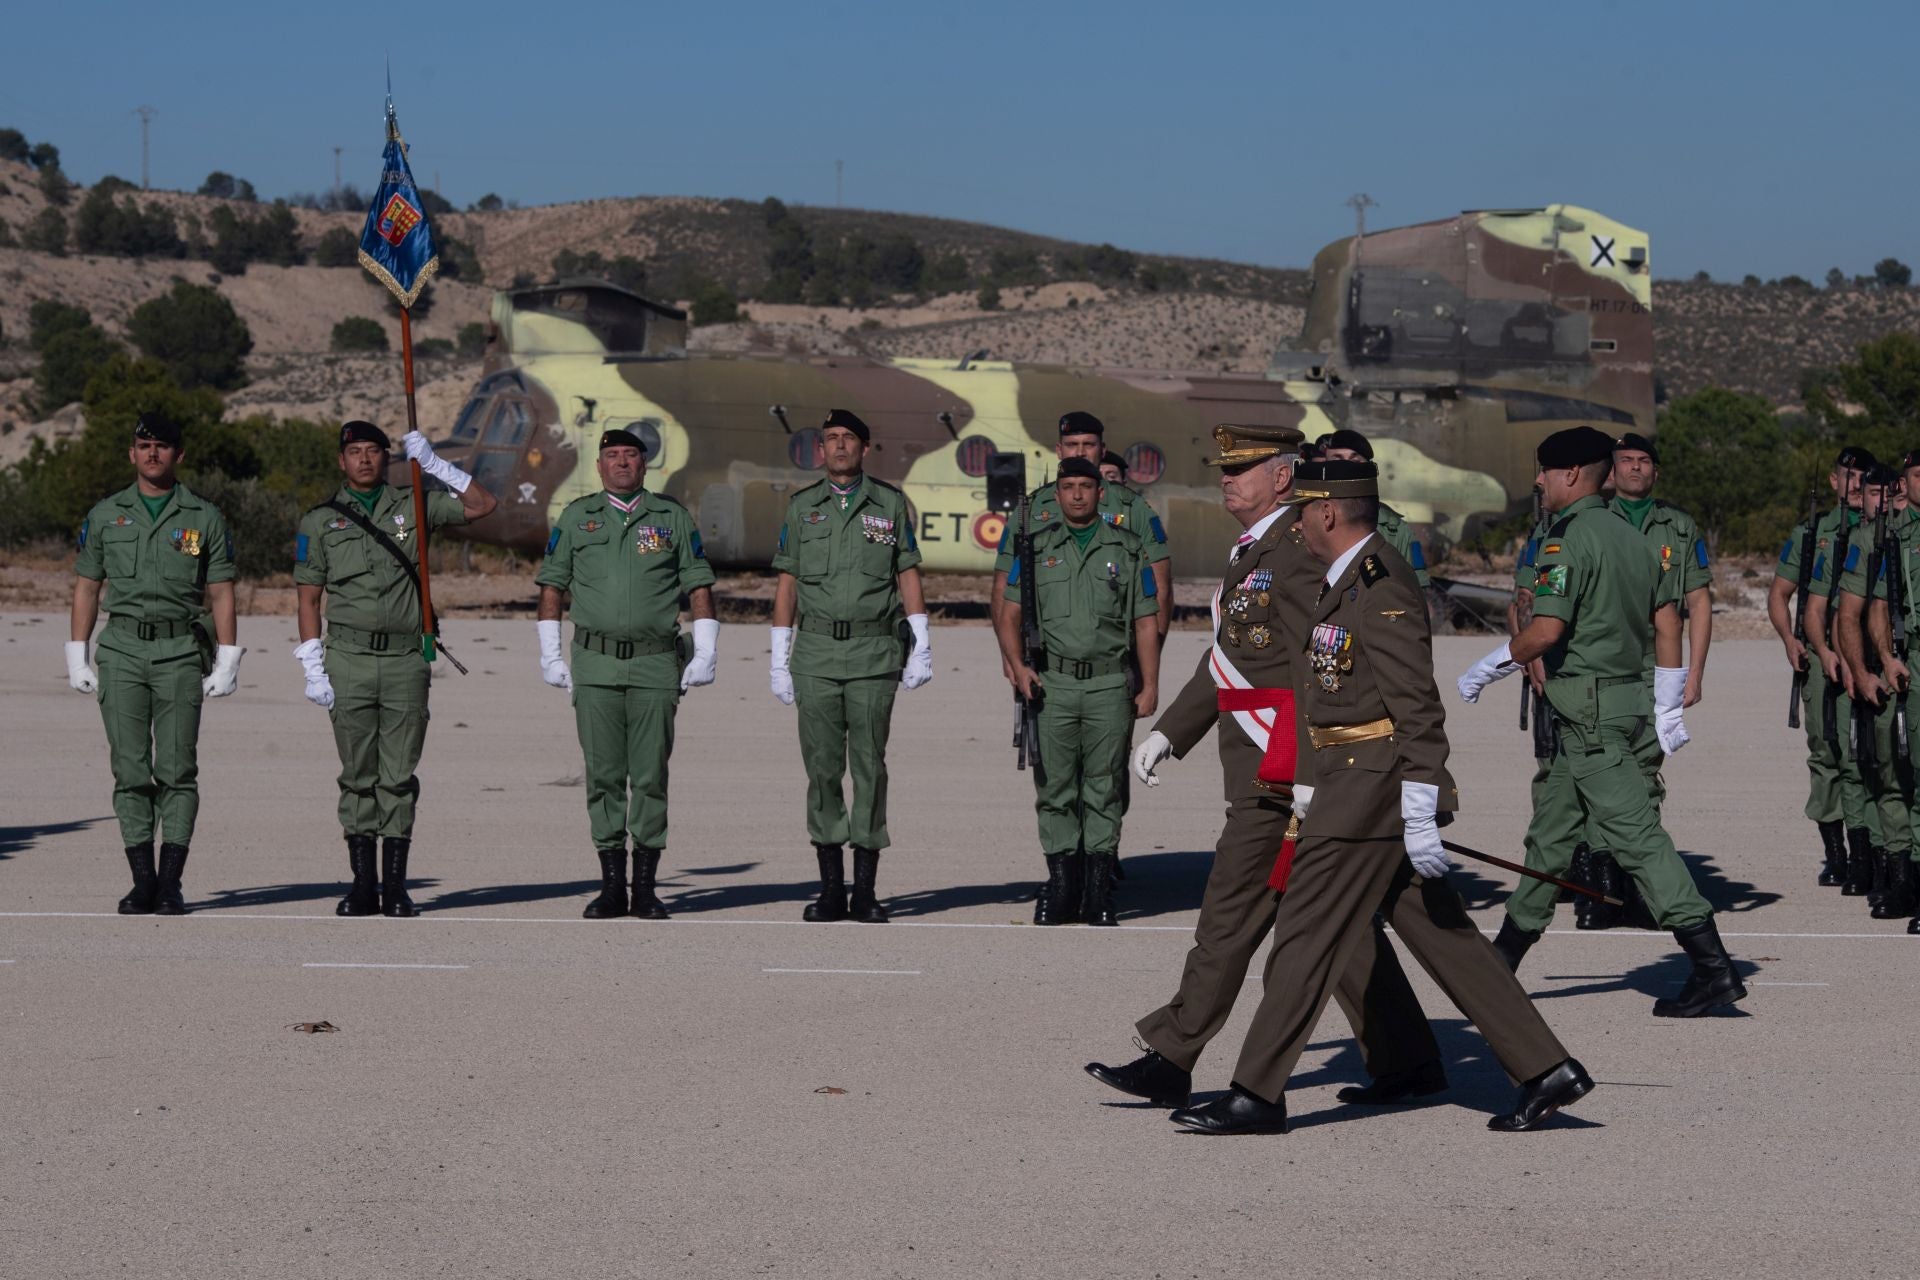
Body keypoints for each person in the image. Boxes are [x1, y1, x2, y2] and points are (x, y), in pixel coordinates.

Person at [1169, 458, 1590, 1135]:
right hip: (1347, 781)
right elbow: (1323, 698)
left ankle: (1256, 1093)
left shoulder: (1379, 585)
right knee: (1444, 936)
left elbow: (1416, 705)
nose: (1299, 522)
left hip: (1370, 791)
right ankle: (1547, 1069)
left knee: (1303, 939)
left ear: (1328, 514)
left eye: (1305, 510)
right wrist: (1307, 777)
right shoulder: (1344, 584)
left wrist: (1420, 799)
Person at [1085, 423, 1444, 1111]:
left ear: (1284, 478)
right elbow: (1233, 659)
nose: (1227, 478)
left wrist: (1312, 770)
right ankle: (1407, 1058)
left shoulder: (1300, 551)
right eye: (1224, 467)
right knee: (1339, 923)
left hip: (1283, 771)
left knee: (1232, 911)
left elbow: (1327, 669)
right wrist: (1171, 733)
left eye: (1243, 468)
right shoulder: (1260, 550)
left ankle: (1173, 1052)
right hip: (1270, 760)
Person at [1457, 426, 1743, 1019]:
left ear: (1569, 475)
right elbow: (1668, 619)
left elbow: (1545, 631)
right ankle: (1503, 961)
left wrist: (1487, 667)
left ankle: (1714, 968)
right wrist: (1665, 696)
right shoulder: (1634, 537)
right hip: (1615, 706)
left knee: (1638, 839)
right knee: (1551, 836)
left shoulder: (1567, 540)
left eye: (1543, 472)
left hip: (1589, 715)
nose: (1537, 482)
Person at [293, 421, 498, 917]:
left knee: (398, 775)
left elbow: (482, 505)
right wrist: (311, 661)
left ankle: (396, 886)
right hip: (348, 657)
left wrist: (434, 466)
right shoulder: (320, 521)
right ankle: (363, 885)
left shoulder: (415, 505)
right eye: (354, 452)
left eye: (374, 451)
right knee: (357, 773)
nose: (364, 459)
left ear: (387, 458)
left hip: (406, 657)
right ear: (341, 461)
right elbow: (308, 596)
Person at [535, 428, 719, 919]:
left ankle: (646, 888)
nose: (621, 463)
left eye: (630, 456)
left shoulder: (671, 517)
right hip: (594, 664)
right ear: (598, 466)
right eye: (612, 456)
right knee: (603, 777)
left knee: (651, 776)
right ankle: (612, 887)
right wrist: (550, 653)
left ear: (645, 465)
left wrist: (706, 650)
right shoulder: (578, 518)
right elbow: (552, 585)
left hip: (656, 664)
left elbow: (698, 582)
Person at [68, 411, 242, 915]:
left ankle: (171, 884)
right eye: (144, 445)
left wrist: (227, 657)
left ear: (178, 455)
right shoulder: (106, 514)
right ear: (131, 453)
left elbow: (222, 590)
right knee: (129, 770)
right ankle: (141, 881)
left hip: (179, 653)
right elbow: (87, 586)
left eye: (162, 446)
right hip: (121, 650)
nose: (152, 453)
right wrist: (76, 654)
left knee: (177, 770)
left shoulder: (203, 517)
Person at [769, 409, 933, 924]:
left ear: (865, 448)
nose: (839, 447)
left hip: (872, 656)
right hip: (815, 656)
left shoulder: (888, 505)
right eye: (831, 439)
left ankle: (865, 892)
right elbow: (788, 583)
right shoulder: (801, 509)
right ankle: (830, 891)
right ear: (821, 450)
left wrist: (922, 639)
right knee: (821, 771)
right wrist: (778, 654)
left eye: (848, 439)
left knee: (868, 768)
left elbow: (907, 572)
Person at [994, 457, 1161, 926]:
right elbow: (1008, 616)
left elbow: (1145, 622)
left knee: (1103, 788)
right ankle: (1061, 890)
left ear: (1100, 493)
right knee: (1055, 789)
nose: (1077, 495)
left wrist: (1150, 684)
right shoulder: (1035, 548)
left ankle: (1097, 893)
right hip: (1054, 685)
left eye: (1085, 486)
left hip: (1110, 683)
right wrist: (1018, 665)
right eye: (1067, 487)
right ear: (1058, 494)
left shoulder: (1127, 549)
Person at [1768, 447, 1877, 889]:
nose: (1854, 484)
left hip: (1868, 656)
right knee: (1825, 754)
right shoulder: (1813, 533)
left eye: (1862, 477)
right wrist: (1789, 640)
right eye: (1847, 476)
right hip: (1820, 657)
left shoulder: (1881, 530)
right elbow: (1779, 595)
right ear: (1833, 482)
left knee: (1867, 755)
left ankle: (1869, 853)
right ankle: (1837, 854)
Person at [992, 412, 1171, 644]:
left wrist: (1149, 660)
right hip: (1043, 656)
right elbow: (1002, 586)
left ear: (1102, 450)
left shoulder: (1133, 509)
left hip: (1115, 655)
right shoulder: (1030, 509)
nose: (1079, 452)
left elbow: (1161, 588)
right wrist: (1010, 658)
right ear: (1059, 450)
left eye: (1088, 445)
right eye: (1071, 445)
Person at [1833, 459, 1918, 921]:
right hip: (1891, 672)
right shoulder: (1871, 540)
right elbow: (1849, 613)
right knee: (1890, 776)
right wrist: (1862, 669)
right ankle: (1900, 879)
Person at [1316, 428, 1430, 588]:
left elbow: (1418, 588)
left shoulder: (1395, 529)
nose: (1346, 467)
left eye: (1355, 461)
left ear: (1369, 468)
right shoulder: (1307, 519)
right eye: (1337, 460)